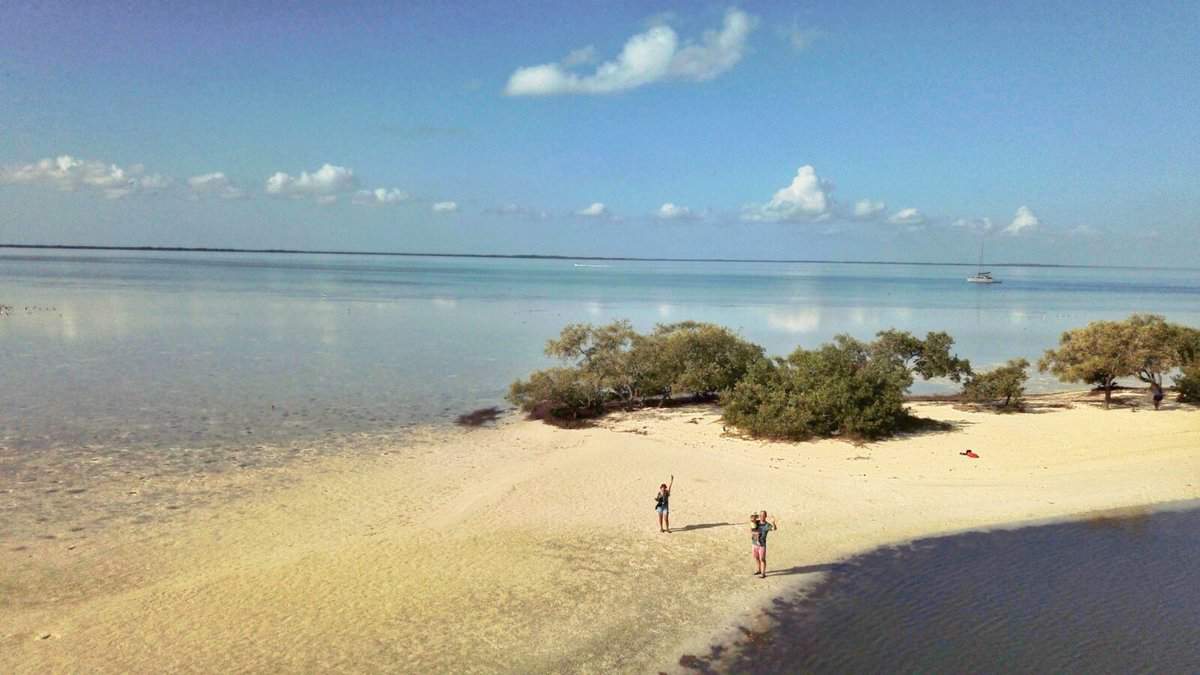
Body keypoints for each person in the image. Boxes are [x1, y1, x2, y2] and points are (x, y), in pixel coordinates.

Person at [755, 510, 778, 578]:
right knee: (756, 557)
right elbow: (751, 524)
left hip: (762, 544)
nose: (761, 516)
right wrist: (754, 516)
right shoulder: (757, 522)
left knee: (762, 559)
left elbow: (774, 529)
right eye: (760, 515)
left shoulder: (767, 525)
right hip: (754, 544)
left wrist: (773, 522)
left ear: (765, 516)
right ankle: (759, 570)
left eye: (763, 515)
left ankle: (763, 573)